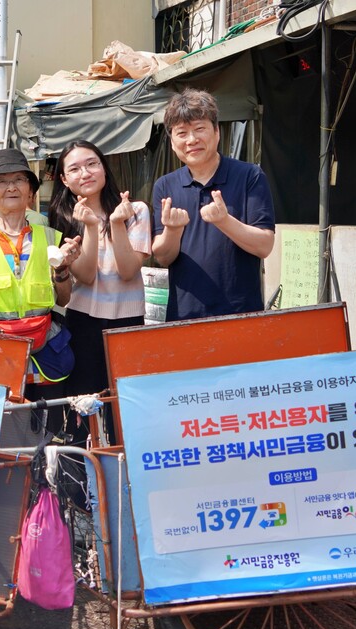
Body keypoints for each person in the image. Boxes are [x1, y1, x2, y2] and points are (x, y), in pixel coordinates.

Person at [0, 148, 81, 432]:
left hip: (46, 347)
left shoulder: (50, 237)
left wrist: (62, 269)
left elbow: (63, 298)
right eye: (1, 181)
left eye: (19, 180)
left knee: (49, 429)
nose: (11, 187)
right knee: (2, 430)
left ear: (30, 191)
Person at [48, 140, 151, 443]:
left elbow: (128, 270)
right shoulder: (64, 219)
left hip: (127, 323)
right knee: (81, 409)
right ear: (64, 179)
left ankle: (125, 468)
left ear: (104, 167)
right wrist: (91, 227)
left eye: (92, 163)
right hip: (83, 322)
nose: (85, 173)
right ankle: (79, 471)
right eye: (74, 169)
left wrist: (116, 223)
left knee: (126, 407)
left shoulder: (136, 210)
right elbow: (87, 276)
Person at [151, 88, 275, 322]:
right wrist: (173, 230)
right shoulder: (165, 186)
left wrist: (224, 221)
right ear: (172, 142)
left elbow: (264, 246)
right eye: (182, 133)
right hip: (184, 316)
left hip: (241, 313)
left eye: (200, 129)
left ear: (217, 132)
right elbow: (163, 257)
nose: (191, 140)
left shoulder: (250, 176)